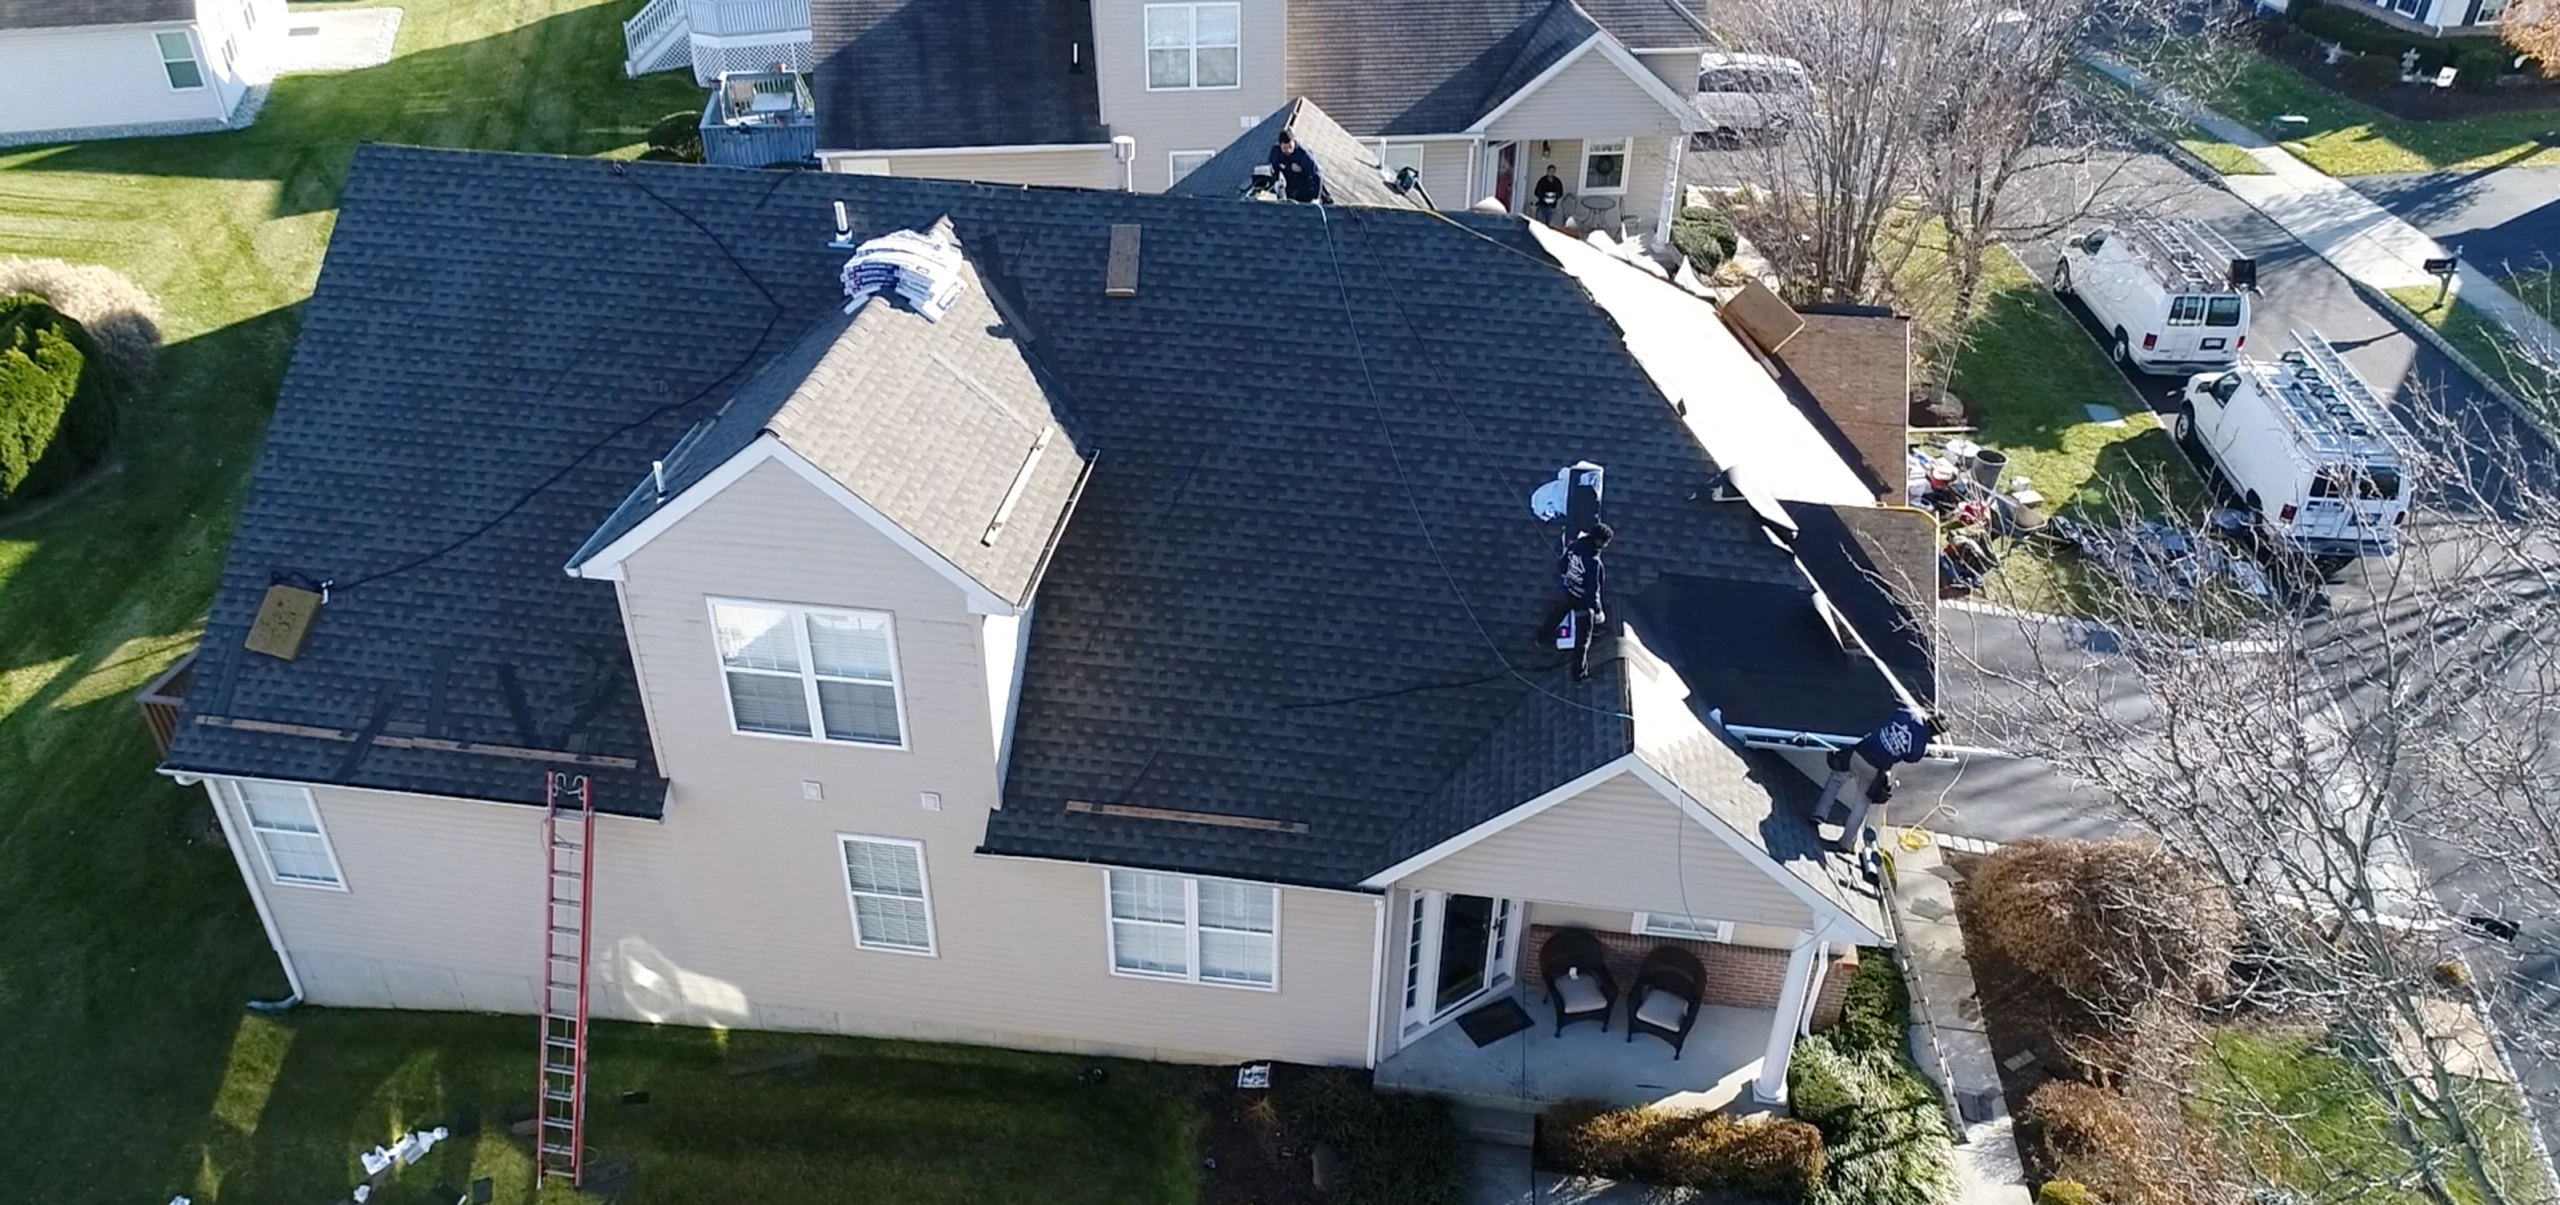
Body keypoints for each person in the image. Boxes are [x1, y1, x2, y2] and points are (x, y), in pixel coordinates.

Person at [1538, 522, 1612, 681]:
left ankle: (1541, 638)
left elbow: (1562, 566)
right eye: (1605, 542)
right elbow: (1593, 591)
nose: (1606, 546)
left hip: (1568, 591)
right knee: (1583, 639)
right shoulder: (1594, 563)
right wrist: (1598, 611)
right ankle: (1578, 675)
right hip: (1582, 600)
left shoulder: (1574, 547)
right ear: (1599, 541)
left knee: (1556, 614)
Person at [1267, 130, 1322, 203]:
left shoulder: (1304, 155)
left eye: (1290, 147)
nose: (1288, 150)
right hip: (1291, 187)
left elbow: (1318, 175)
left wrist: (1316, 197)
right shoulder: (1276, 153)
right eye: (1285, 148)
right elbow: (1274, 167)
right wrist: (1276, 180)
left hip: (1307, 189)